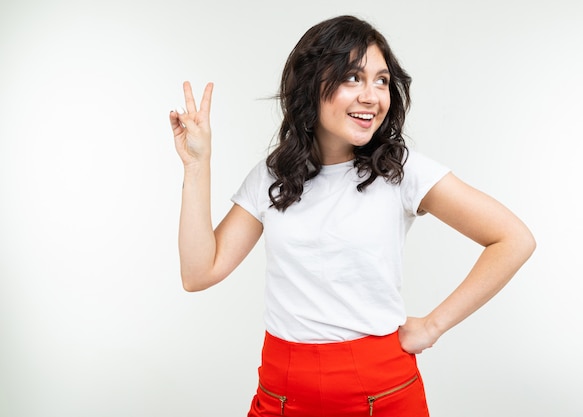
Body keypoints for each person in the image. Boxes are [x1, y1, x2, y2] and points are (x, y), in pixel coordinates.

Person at [169, 15, 535, 417]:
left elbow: (512, 239)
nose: (372, 96)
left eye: (381, 80)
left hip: (383, 392)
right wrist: (196, 166)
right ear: (312, 86)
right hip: (282, 393)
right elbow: (199, 272)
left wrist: (432, 326)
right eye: (353, 78)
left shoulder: (401, 171)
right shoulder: (273, 176)